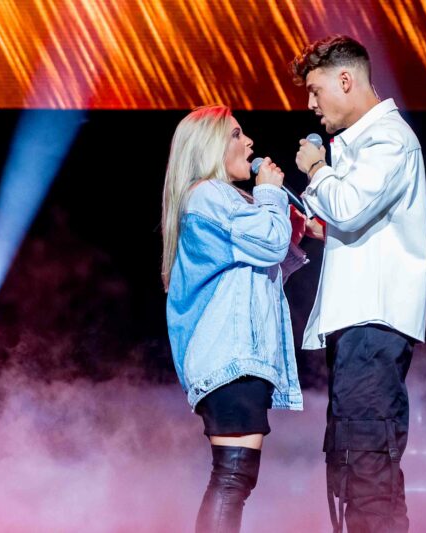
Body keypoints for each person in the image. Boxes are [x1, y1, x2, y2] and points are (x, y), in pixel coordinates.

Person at [291, 35, 426, 533]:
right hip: (360, 330)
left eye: (315, 90)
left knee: (368, 467)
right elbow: (357, 221)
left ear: (346, 80)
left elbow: (349, 206)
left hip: (372, 328)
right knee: (356, 465)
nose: (311, 105)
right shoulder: (367, 143)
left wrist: (316, 170)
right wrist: (325, 229)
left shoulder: (389, 138)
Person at [161, 105, 306, 533]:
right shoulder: (210, 194)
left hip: (231, 357)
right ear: (209, 147)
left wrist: (286, 230)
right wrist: (271, 196)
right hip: (230, 356)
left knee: (235, 476)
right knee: (232, 475)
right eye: (237, 134)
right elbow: (268, 244)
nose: (249, 142)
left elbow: (260, 269)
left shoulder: (216, 198)